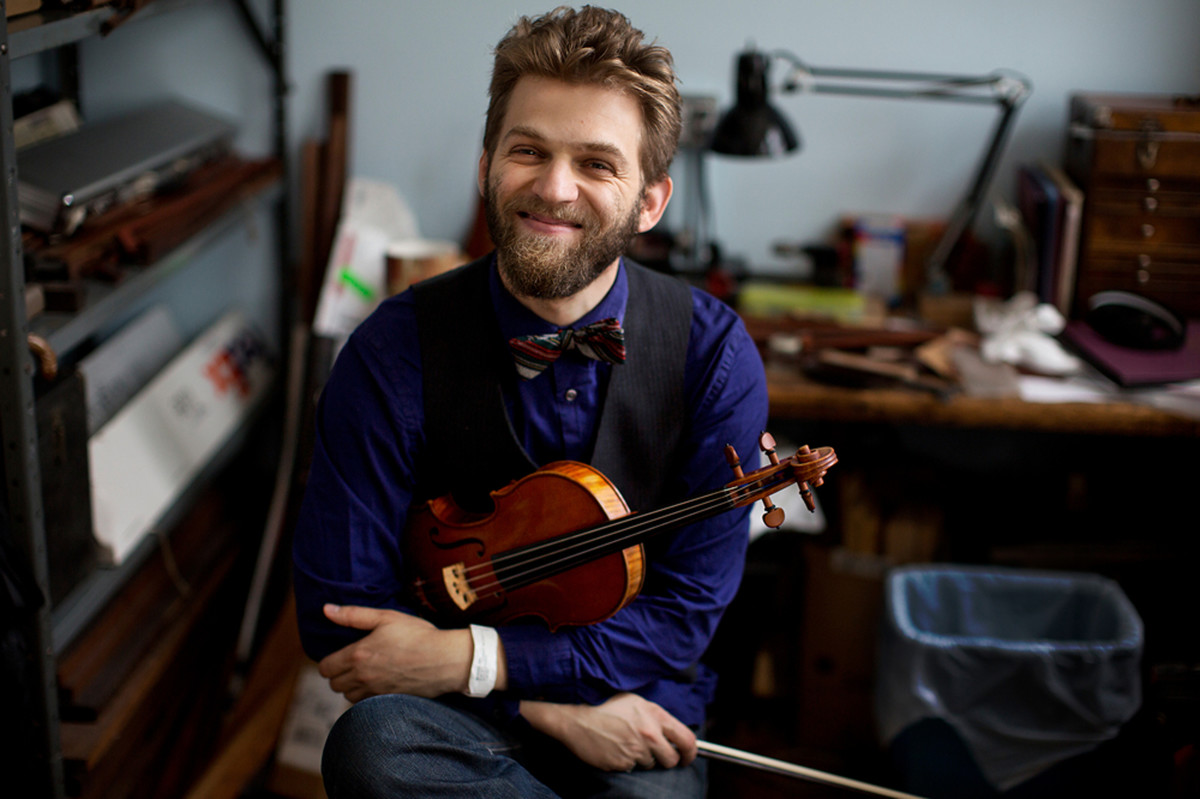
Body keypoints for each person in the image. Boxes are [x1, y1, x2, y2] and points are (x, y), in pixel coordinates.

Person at [292, 6, 769, 797]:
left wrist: (468, 656)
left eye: (596, 164)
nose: (554, 188)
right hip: (453, 718)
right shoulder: (389, 350)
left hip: (636, 705)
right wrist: (539, 703)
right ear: (486, 164)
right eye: (529, 151)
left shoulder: (713, 354)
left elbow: (682, 615)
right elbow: (339, 618)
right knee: (373, 746)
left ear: (650, 202)